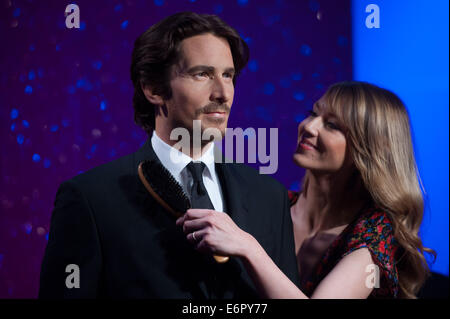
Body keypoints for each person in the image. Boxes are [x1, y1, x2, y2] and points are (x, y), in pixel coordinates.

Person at [38, 11, 299, 298]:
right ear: (153, 89)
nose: (223, 93)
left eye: (228, 75)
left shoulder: (270, 196)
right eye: (203, 74)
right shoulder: (90, 198)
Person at [177, 81, 436, 299]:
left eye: (332, 125)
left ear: (369, 150)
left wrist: (248, 248)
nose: (308, 127)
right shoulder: (272, 203)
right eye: (313, 114)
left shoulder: (374, 232)